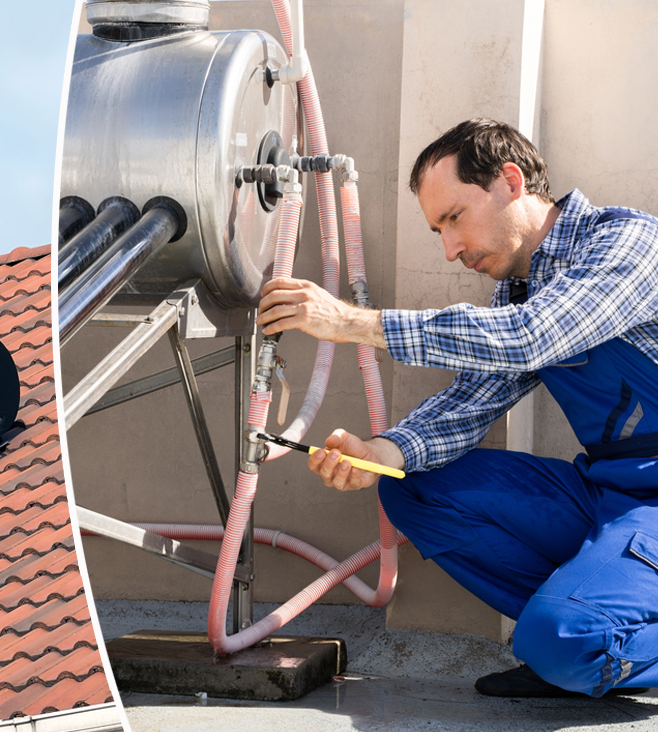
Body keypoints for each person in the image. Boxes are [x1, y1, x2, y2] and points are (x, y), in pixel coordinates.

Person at [256, 118, 658, 698]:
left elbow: (530, 338)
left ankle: (574, 641)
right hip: (613, 498)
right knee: (408, 485)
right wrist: (381, 452)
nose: (450, 250)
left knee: (559, 641)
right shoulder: (519, 289)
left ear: (510, 182)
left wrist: (351, 323)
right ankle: (584, 628)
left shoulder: (627, 247)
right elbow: (472, 400)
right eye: (437, 230)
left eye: (453, 218)